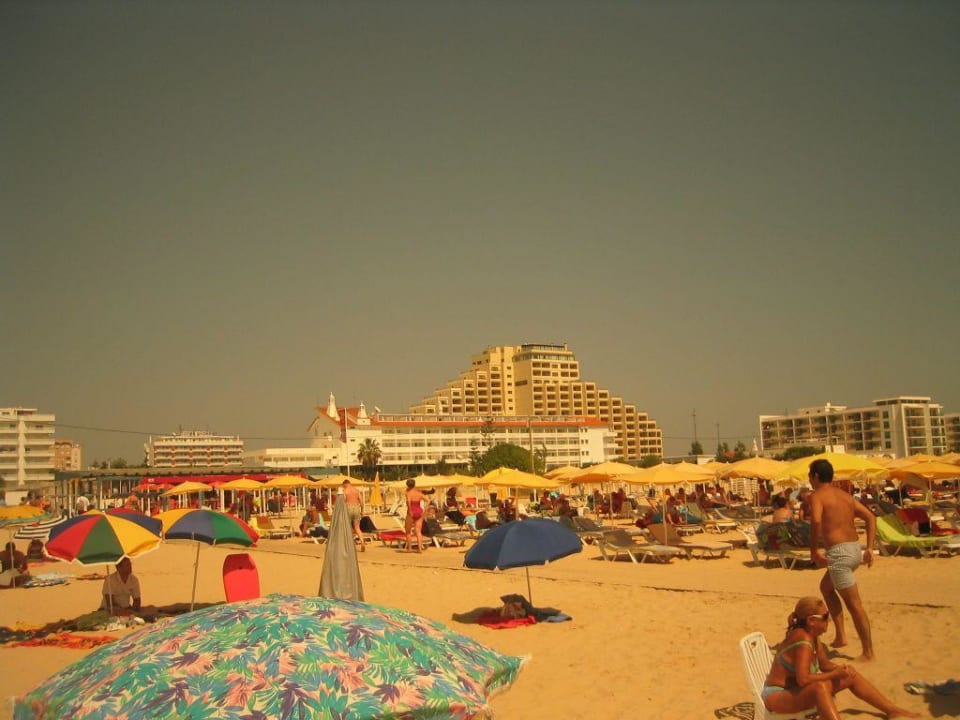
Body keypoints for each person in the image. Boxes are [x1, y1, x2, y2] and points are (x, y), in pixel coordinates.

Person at [761, 596, 919, 719]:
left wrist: (841, 670)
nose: (829, 620)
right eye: (825, 616)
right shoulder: (803, 640)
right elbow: (803, 679)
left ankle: (892, 710)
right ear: (811, 621)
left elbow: (824, 664)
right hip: (777, 696)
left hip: (795, 690)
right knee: (819, 688)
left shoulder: (813, 636)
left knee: (850, 675)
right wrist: (835, 674)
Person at [808, 458, 877, 660]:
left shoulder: (817, 496)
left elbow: (816, 521)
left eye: (810, 476)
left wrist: (814, 550)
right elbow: (870, 517)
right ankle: (841, 636)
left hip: (839, 554)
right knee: (826, 588)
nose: (809, 480)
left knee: (854, 605)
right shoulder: (845, 496)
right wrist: (869, 547)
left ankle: (868, 652)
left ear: (816, 476)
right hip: (854, 549)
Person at [341, 479, 365, 552]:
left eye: (343, 486)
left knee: (347, 527)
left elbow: (343, 502)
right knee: (357, 528)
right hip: (356, 508)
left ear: (345, 484)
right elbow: (361, 502)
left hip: (348, 508)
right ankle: (362, 542)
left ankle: (349, 545)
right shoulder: (356, 490)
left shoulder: (345, 491)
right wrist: (362, 511)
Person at [405, 478, 425, 553]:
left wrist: (410, 511)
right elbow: (428, 500)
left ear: (407, 485)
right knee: (418, 532)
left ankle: (409, 548)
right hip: (419, 511)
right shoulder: (419, 493)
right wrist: (425, 510)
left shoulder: (408, 493)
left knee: (408, 531)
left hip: (411, 512)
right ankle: (420, 549)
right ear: (414, 484)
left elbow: (408, 502)